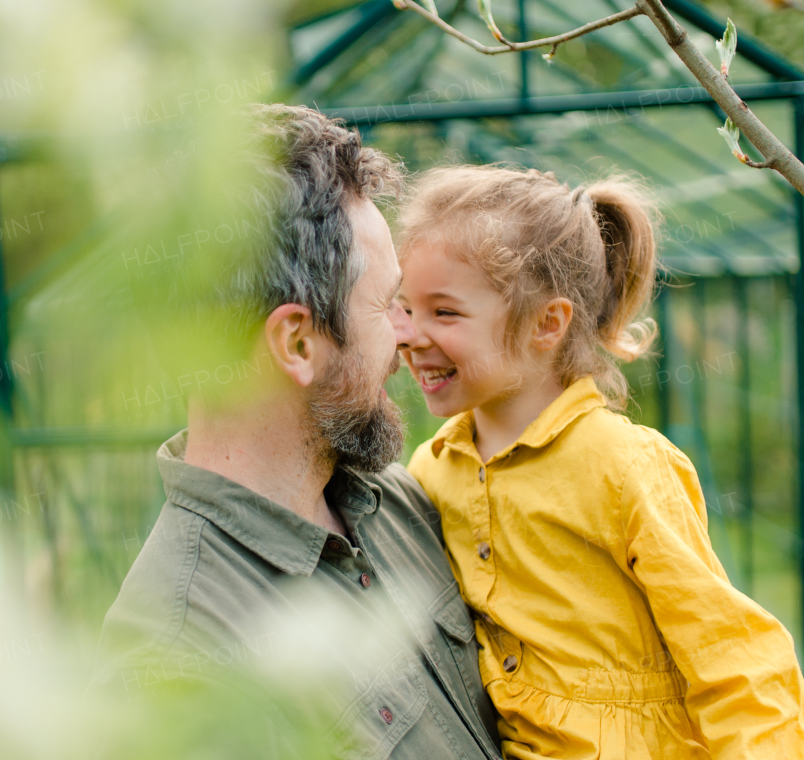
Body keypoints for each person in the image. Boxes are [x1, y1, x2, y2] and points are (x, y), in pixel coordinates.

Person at [89, 106, 503, 760]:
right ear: (297, 341)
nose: (406, 336)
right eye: (385, 305)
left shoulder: (404, 503)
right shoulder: (177, 667)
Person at [396, 165, 804, 760]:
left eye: (443, 313)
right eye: (405, 308)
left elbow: (730, 654)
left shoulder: (623, 466)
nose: (410, 335)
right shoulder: (431, 469)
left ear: (546, 324)